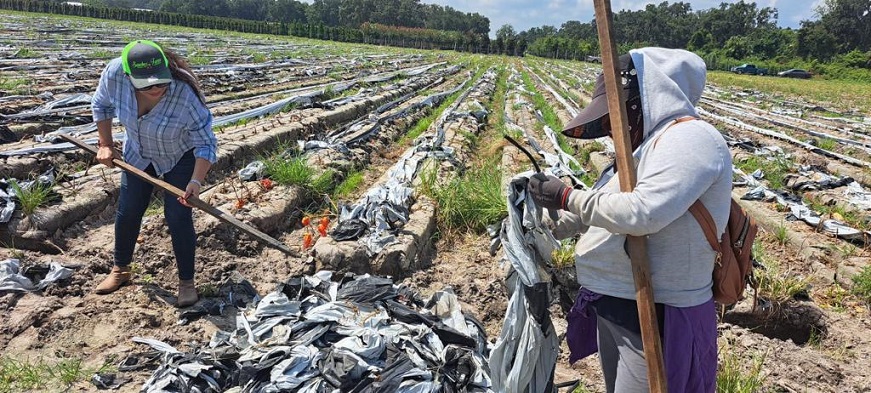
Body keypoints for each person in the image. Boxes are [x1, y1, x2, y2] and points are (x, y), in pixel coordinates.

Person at [527, 48, 731, 392]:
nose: (608, 127)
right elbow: (606, 209)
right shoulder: (644, 147)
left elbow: (642, 213)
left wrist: (565, 196)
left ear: (643, 100)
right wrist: (550, 219)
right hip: (617, 302)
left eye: (612, 114)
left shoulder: (691, 139)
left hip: (657, 311)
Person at [91, 40, 217, 307]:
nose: (157, 88)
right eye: (147, 85)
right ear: (128, 77)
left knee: (177, 215)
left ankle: (186, 283)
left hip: (178, 157)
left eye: (161, 81)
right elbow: (101, 105)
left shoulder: (184, 92)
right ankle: (120, 269)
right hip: (139, 152)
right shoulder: (114, 75)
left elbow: (205, 142)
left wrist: (195, 181)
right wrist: (105, 144)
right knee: (129, 210)